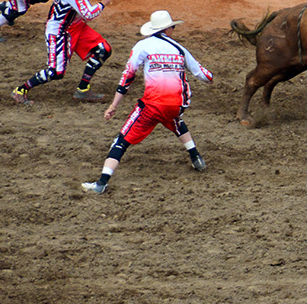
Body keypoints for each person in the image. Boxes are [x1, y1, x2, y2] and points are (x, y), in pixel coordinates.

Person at [82, 11, 213, 194]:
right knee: (175, 120)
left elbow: (128, 76)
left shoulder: (143, 46)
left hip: (152, 105)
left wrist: (113, 106)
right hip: (176, 104)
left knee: (121, 141)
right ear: (169, 28)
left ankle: (102, 182)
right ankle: (196, 157)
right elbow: (205, 75)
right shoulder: (180, 49)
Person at [12, 0, 115, 104]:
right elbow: (88, 13)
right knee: (56, 72)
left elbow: (83, 10)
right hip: (59, 30)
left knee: (103, 50)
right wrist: (104, 2)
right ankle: (21, 89)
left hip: (75, 25)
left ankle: (83, 90)